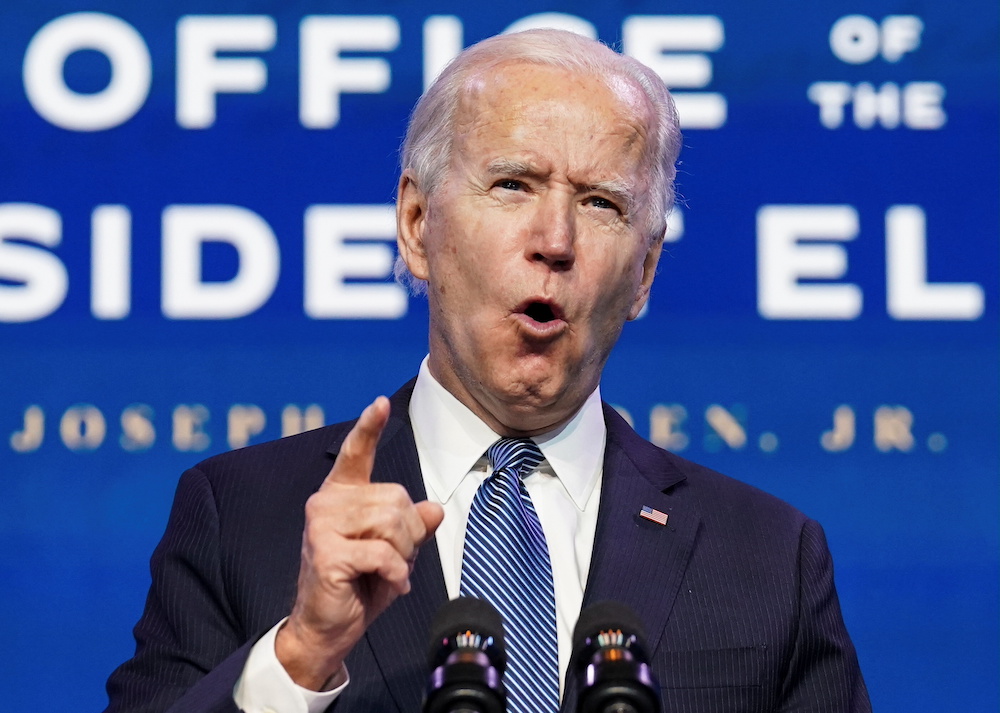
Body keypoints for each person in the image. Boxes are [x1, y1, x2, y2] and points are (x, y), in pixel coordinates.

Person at [105, 29, 870, 713]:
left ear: (643, 272)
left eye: (602, 203)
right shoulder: (241, 517)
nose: (555, 239)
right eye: (513, 185)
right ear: (417, 224)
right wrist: (300, 653)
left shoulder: (769, 556)